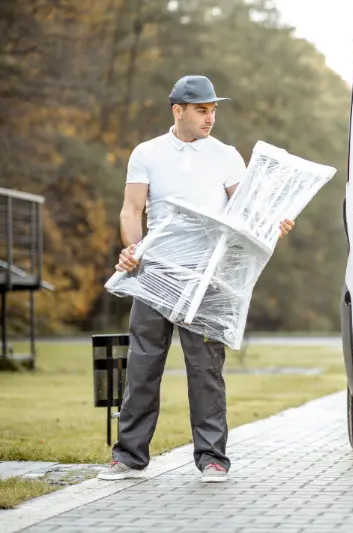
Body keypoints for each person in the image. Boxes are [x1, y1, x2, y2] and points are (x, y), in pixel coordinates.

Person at [98, 75, 295, 483]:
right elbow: (131, 210)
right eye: (202, 110)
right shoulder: (147, 153)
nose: (210, 117)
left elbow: (247, 213)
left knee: (206, 369)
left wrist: (272, 224)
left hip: (207, 279)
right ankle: (129, 457)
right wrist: (133, 251)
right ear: (178, 110)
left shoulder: (226, 156)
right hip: (156, 275)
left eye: (213, 110)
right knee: (142, 366)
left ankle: (212, 459)